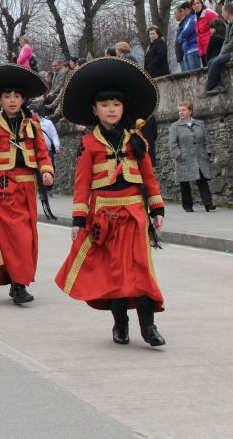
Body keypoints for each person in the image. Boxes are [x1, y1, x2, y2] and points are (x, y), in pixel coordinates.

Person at [54, 57, 166, 347]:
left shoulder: (136, 139)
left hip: (134, 213)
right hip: (103, 216)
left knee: (140, 269)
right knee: (115, 272)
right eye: (105, 105)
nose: (112, 109)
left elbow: (148, 176)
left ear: (123, 107)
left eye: (116, 104)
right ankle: (120, 324)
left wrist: (157, 208)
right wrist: (79, 221)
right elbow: (82, 186)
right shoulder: (89, 144)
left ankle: (149, 327)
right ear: (95, 110)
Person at [0, 64, 54, 305]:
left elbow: (42, 153)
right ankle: (18, 284)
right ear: (0, 100)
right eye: (7, 97)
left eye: (16, 97)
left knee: (26, 237)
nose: (12, 101)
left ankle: (18, 280)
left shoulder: (33, 125)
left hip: (27, 187)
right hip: (3, 190)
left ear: (22, 99)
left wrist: (47, 171)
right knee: (12, 237)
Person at [168, 101, 215, 212]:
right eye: (179, 110)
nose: (181, 112)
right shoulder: (175, 126)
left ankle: (208, 204)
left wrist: (207, 152)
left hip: (199, 156)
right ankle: (187, 206)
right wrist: (177, 155)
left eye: (183, 110)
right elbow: (172, 143)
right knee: (184, 182)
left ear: (190, 111)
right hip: (183, 158)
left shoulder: (200, 124)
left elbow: (206, 140)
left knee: (202, 180)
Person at [200, 3, 233, 97]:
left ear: (228, 12)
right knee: (212, 61)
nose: (222, 14)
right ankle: (219, 85)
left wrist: (223, 53)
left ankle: (208, 89)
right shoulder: (230, 24)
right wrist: (222, 52)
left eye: (223, 11)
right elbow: (226, 41)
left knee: (216, 61)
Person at [38, 108, 60, 195]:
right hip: (37, 151)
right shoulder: (30, 123)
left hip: (48, 150)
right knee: (39, 170)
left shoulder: (47, 123)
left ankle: (49, 187)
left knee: (50, 167)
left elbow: (54, 134)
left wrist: (57, 145)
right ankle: (42, 189)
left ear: (37, 113)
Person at [191, 0, 219, 66]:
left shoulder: (208, 14)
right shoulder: (195, 18)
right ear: (192, 6)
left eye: (198, 3)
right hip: (202, 49)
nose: (196, 5)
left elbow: (219, 27)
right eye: (194, 4)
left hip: (211, 47)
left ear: (202, 4)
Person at [176, 2, 201, 71]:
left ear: (187, 9)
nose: (182, 13)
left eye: (182, 11)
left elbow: (186, 32)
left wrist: (180, 38)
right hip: (187, 50)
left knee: (194, 73)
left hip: (193, 48)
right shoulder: (187, 20)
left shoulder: (193, 18)